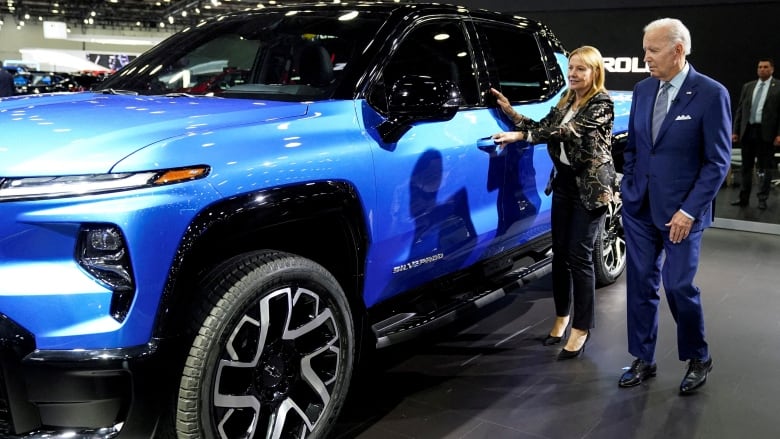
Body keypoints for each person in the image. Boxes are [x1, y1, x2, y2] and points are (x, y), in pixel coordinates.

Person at [618, 18, 731, 394]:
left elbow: (717, 162)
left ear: (677, 50)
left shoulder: (711, 94)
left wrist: (688, 211)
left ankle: (698, 357)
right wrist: (629, 185)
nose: (645, 57)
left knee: (678, 285)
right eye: (645, 49)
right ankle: (643, 358)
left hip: (683, 213)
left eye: (652, 50)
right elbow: (634, 146)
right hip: (639, 208)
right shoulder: (643, 89)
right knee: (640, 285)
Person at [491, 46, 617, 361]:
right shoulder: (566, 99)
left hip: (590, 190)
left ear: (595, 72)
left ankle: (582, 328)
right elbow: (542, 124)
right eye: (571, 68)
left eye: (581, 69)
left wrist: (521, 137)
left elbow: (565, 133)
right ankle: (561, 317)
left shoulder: (602, 103)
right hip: (563, 184)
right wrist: (510, 113)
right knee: (559, 255)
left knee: (580, 258)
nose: (573, 74)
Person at [731, 58, 780, 209]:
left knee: (764, 167)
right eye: (760, 67)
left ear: (772, 69)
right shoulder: (748, 86)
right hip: (748, 131)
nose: (762, 69)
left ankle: (762, 198)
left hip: (767, 133)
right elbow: (740, 110)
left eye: (766, 67)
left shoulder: (778, 87)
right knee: (746, 166)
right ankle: (743, 198)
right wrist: (735, 131)